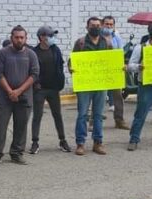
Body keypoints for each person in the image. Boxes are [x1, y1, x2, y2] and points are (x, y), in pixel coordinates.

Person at [0, 26, 39, 167]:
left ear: (26, 38)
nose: (19, 40)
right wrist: (10, 91)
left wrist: (19, 91)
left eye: (22, 37)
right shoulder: (3, 53)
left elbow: (34, 74)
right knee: (1, 126)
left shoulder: (31, 54)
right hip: (5, 96)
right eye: (16, 37)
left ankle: (16, 153)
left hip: (24, 96)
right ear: (11, 38)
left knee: (21, 126)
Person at [70, 17, 112, 156]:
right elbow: (72, 61)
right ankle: (80, 143)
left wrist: (119, 68)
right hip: (85, 86)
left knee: (98, 115)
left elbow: (112, 60)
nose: (95, 27)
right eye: (92, 25)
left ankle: (97, 143)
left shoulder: (106, 42)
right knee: (82, 114)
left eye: (97, 25)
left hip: (101, 84)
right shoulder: (81, 43)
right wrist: (71, 68)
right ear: (87, 27)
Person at [29, 25, 71, 154]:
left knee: (57, 114)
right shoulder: (34, 52)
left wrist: (60, 83)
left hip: (54, 88)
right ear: (41, 37)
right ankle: (35, 142)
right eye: (50, 36)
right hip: (40, 89)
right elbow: (31, 70)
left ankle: (62, 140)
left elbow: (60, 66)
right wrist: (35, 84)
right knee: (37, 115)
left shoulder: (55, 50)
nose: (52, 38)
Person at [102, 16, 130, 130]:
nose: (108, 26)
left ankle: (119, 120)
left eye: (111, 24)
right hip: (102, 70)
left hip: (115, 70)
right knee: (100, 96)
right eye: (106, 24)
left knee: (118, 96)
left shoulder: (117, 36)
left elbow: (121, 51)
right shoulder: (97, 37)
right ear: (102, 24)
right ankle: (94, 122)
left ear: (114, 26)